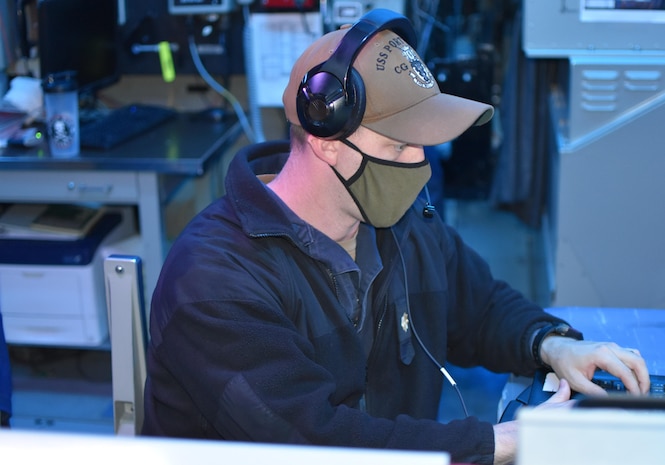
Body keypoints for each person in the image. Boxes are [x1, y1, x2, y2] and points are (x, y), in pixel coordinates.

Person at [142, 9, 650, 465]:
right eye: (400, 145)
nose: (420, 166)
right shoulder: (211, 280)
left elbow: (482, 307)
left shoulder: (402, 224)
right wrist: (500, 443)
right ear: (327, 140)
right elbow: (309, 441)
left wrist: (550, 344)